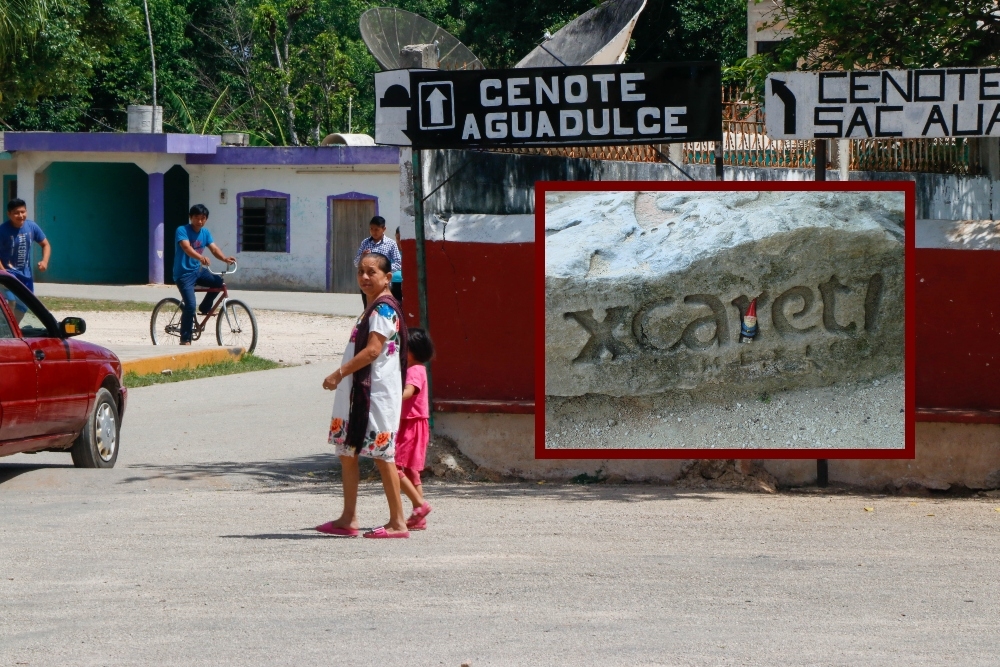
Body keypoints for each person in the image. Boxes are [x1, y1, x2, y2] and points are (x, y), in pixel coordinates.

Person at [319, 252, 410, 539]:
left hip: (375, 394)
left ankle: (398, 522)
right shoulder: (371, 308)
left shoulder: (383, 310)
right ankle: (349, 518)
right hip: (358, 394)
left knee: (383, 456)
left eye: (372, 272)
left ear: (387, 278)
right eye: (361, 271)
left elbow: (373, 351)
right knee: (348, 452)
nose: (365, 277)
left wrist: (339, 372)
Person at [174, 204, 236, 345]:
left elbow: (213, 249)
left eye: (203, 218)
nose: (200, 221)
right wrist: (200, 258)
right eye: (197, 218)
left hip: (198, 271)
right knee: (190, 305)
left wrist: (225, 258)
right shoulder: (182, 230)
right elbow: (186, 247)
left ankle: (205, 307)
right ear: (191, 217)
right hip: (183, 274)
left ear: (206, 219)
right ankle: (185, 339)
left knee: (218, 283)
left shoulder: (205, 233)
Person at [395, 328, 434, 530]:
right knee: (411, 471)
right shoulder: (413, 368)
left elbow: (409, 391)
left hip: (411, 423)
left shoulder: (414, 370)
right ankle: (419, 516)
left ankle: (420, 506)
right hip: (412, 421)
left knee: (392, 466)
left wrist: (390, 396)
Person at [0, 198, 51, 292]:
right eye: (16, 213)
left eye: (23, 212)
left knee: (23, 305)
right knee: (11, 302)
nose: (20, 215)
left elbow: (45, 245)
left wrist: (44, 261)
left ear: (26, 211)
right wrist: (4, 273)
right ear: (9, 214)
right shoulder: (2, 231)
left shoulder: (32, 226)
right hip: (8, 274)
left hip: (26, 275)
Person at [354, 216, 401, 308]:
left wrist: (384, 270)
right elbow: (356, 263)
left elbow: (398, 262)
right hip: (367, 283)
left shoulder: (391, 244)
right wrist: (362, 257)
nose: (373, 232)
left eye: (377, 229)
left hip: (383, 283)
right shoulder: (365, 243)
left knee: (383, 306)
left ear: (384, 229)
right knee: (368, 308)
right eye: (371, 229)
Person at [391, 226, 403, 303]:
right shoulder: (392, 249)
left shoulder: (411, 250)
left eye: (401, 238)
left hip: (405, 282)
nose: (399, 240)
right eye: (397, 237)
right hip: (393, 282)